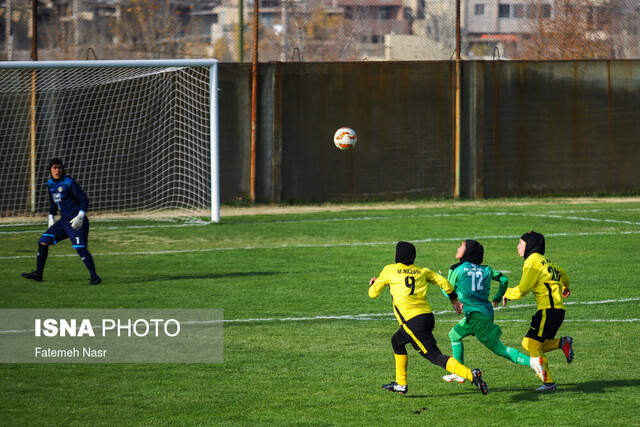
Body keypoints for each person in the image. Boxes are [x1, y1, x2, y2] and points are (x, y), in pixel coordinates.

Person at [368, 241, 488, 395]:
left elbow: (373, 294)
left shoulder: (389, 270)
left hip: (412, 321)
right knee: (397, 342)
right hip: (426, 317)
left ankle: (470, 374)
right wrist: (453, 299)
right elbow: (444, 283)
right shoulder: (421, 271)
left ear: (397, 256)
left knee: (435, 357)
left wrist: (373, 283)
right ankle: (400, 383)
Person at [440, 240, 547, 385]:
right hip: (484, 314)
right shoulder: (486, 269)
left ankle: (532, 362)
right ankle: (458, 372)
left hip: (477, 318)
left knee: (498, 348)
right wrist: (498, 295)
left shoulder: (456, 269)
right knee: (454, 335)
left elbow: (449, 293)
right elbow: (503, 279)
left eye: (462, 247)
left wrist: (439, 281)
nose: (458, 248)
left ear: (468, 252)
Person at [502, 231, 573, 391]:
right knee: (533, 343)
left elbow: (522, 289)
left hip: (548, 310)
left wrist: (506, 293)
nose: (517, 246)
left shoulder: (532, 260)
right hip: (557, 310)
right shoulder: (545, 261)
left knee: (530, 343)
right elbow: (561, 272)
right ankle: (561, 343)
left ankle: (548, 383)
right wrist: (564, 286)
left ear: (530, 245)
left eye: (520, 243)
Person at [21, 158, 101, 286]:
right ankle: (38, 274)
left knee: (80, 248)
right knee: (43, 241)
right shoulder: (50, 184)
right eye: (54, 168)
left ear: (63, 169)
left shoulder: (69, 183)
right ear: (50, 170)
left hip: (76, 221)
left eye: (59, 167)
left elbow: (83, 199)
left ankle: (94, 277)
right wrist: (51, 218)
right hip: (63, 222)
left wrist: (80, 215)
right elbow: (53, 203)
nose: (57, 170)